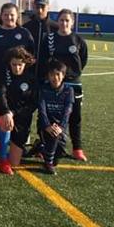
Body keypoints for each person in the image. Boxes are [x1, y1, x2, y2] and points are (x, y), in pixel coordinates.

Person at [41, 9, 89, 161]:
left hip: (72, 84)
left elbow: (83, 60)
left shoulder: (78, 40)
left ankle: (77, 148)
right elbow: (43, 60)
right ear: (58, 21)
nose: (64, 23)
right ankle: (45, 147)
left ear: (72, 22)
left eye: (67, 20)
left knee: (75, 117)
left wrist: (72, 74)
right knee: (48, 116)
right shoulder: (49, 38)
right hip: (53, 84)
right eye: (61, 20)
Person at [0, 47, 38, 175]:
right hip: (5, 114)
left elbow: (33, 104)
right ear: (9, 63)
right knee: (5, 122)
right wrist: (7, 112)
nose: (17, 68)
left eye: (20, 65)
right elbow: (1, 96)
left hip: (22, 119)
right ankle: (2, 159)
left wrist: (15, 113)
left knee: (14, 163)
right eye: (14, 64)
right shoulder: (4, 76)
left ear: (25, 63)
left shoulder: (31, 79)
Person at [0, 3, 34, 87]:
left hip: (19, 78)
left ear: (17, 16)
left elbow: (31, 55)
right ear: (1, 16)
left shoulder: (24, 33)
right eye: (6, 15)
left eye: (12, 15)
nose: (9, 17)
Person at [38, 60, 74, 175]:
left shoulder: (69, 90)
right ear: (48, 76)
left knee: (59, 154)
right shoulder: (43, 89)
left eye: (58, 74)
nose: (55, 77)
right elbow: (42, 110)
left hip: (60, 126)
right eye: (52, 74)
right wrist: (47, 126)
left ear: (63, 76)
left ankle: (40, 147)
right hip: (45, 125)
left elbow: (68, 111)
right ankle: (48, 164)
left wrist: (61, 127)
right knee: (53, 137)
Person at [23, 0, 58, 79]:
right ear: (33, 7)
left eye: (43, 7)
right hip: (29, 72)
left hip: (48, 74)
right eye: (37, 7)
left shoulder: (55, 28)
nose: (40, 10)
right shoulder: (26, 28)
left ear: (48, 7)